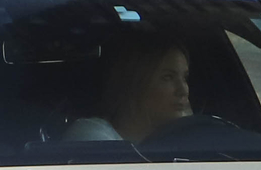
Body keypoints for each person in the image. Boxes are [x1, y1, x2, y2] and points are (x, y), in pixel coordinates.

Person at [64, 34, 192, 142]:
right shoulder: (93, 137)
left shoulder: (183, 145)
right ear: (134, 83)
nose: (183, 90)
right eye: (167, 77)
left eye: (185, 78)